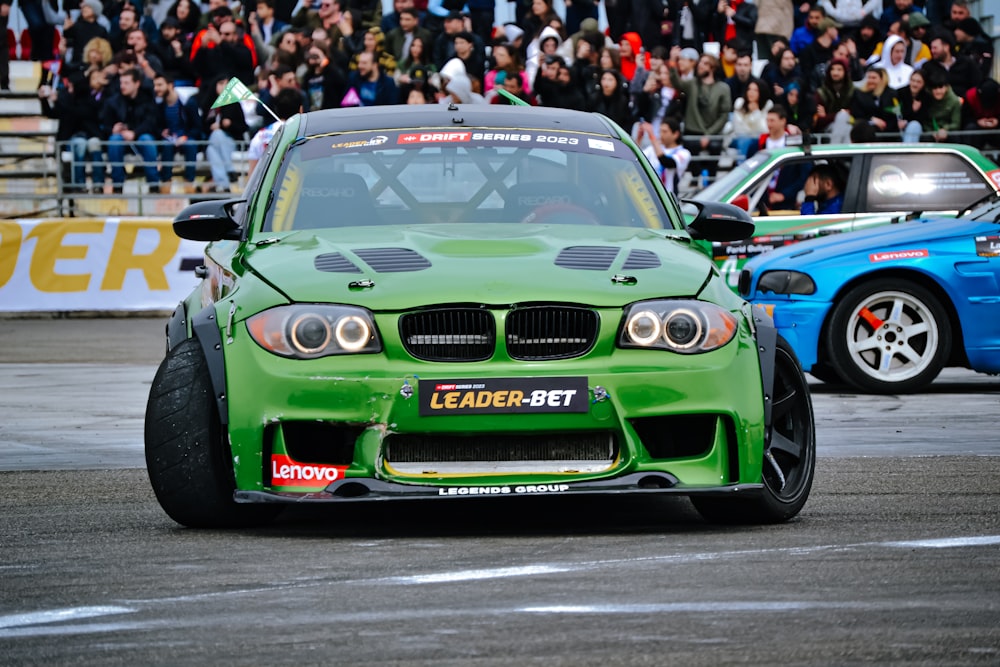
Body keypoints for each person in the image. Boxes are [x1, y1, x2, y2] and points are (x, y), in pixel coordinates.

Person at [668, 52, 732, 177]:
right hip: (693, 130)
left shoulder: (723, 88)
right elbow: (677, 83)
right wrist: (672, 62)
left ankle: (711, 181)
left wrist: (708, 135)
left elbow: (724, 115)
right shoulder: (692, 84)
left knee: (715, 148)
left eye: (705, 63)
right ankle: (695, 179)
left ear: (713, 67)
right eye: (700, 63)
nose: (701, 66)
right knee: (690, 149)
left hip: (713, 132)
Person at [101, 67, 160, 193]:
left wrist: (134, 133)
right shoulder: (113, 102)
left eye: (126, 83)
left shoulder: (148, 100)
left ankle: (154, 184)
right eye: (121, 82)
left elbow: (151, 122)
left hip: (140, 136)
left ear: (137, 83)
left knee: (147, 140)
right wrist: (113, 129)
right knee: (114, 140)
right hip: (120, 138)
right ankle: (117, 185)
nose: (122, 86)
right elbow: (104, 125)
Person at [154, 73, 202, 192]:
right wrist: (161, 131)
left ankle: (189, 183)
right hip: (169, 139)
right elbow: (155, 126)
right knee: (166, 145)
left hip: (186, 136)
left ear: (170, 85)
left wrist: (185, 137)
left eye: (160, 85)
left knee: (190, 145)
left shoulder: (188, 103)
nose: (156, 88)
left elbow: (197, 127)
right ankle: (166, 183)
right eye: (155, 85)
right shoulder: (159, 106)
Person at [203, 75, 249, 192]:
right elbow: (202, 126)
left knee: (216, 138)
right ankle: (226, 179)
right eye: (221, 84)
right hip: (214, 142)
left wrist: (228, 125)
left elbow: (243, 127)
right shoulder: (209, 105)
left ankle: (225, 179)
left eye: (227, 84)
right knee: (211, 149)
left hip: (232, 141)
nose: (224, 87)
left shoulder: (234, 104)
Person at [247, 87, 302, 176]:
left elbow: (252, 174)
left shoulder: (260, 135)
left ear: (276, 109)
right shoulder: (304, 135)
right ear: (301, 109)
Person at [638, 115, 691, 195]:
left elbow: (667, 162)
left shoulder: (683, 153)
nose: (661, 135)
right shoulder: (653, 149)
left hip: (668, 196)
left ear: (676, 134)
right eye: (660, 131)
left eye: (665, 131)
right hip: (650, 194)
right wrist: (639, 138)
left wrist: (652, 136)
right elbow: (637, 157)